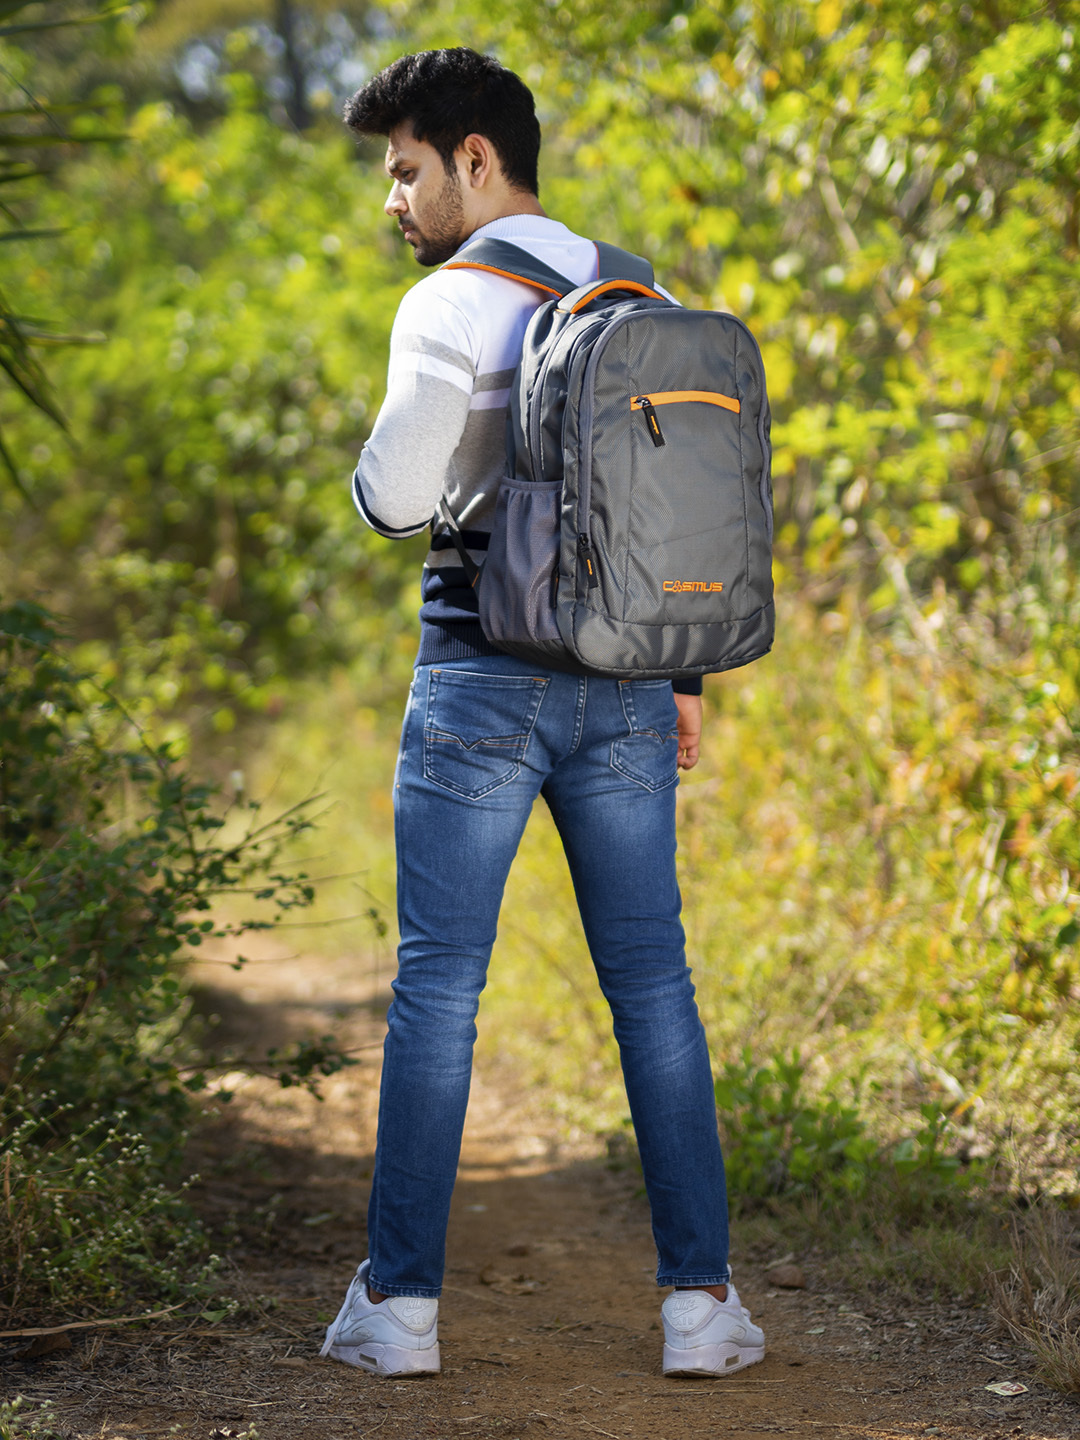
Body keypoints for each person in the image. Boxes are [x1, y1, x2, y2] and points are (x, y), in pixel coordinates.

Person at [319, 46, 765, 1382]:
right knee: (654, 991)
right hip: (628, 684)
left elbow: (397, 501)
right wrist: (682, 682)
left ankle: (398, 1316)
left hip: (477, 681)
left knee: (439, 996)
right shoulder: (642, 288)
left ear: (473, 157)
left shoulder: (445, 305)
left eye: (403, 174)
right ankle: (703, 1312)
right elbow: (680, 510)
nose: (391, 204)